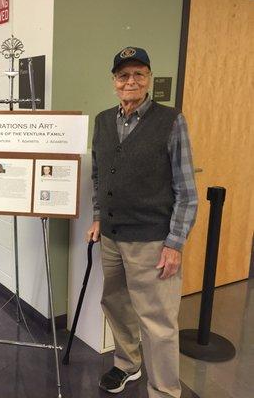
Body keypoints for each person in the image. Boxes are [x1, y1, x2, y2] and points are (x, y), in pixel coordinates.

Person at [87, 47, 198, 398]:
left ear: (148, 77)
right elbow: (98, 175)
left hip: (152, 241)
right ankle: (127, 364)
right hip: (112, 237)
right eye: (123, 76)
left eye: (138, 74)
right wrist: (97, 217)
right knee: (116, 305)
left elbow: (187, 190)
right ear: (114, 82)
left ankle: (165, 390)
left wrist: (175, 243)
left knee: (158, 323)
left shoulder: (170, 121)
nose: (130, 81)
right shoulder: (104, 120)